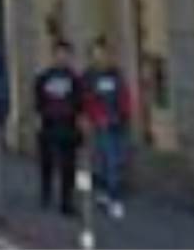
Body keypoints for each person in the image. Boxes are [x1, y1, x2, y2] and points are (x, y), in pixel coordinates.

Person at [83, 37, 132, 219]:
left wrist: (125, 113)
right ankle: (114, 199)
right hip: (102, 123)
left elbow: (124, 94)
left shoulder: (116, 74)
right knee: (110, 160)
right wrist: (96, 117)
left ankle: (104, 191)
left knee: (115, 159)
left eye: (103, 53)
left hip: (119, 121)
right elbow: (88, 99)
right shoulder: (89, 77)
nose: (101, 57)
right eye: (97, 54)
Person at [35, 39, 83, 216]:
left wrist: (78, 119)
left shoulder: (74, 79)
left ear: (70, 56)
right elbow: (38, 99)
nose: (62, 57)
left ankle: (66, 201)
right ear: (54, 55)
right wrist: (39, 118)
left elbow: (79, 101)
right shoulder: (44, 77)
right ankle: (46, 193)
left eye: (65, 54)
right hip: (49, 124)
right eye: (59, 54)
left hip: (68, 125)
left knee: (68, 166)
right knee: (47, 162)